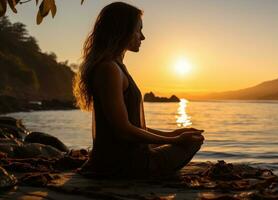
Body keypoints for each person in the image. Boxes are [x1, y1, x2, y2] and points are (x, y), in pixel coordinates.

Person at [73, 2, 204, 178]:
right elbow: (124, 130)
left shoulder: (116, 67)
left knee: (190, 137)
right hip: (125, 165)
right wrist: (174, 140)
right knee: (193, 143)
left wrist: (171, 133)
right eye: (138, 30)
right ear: (122, 31)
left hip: (118, 159)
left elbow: (132, 126)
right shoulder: (109, 69)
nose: (142, 37)